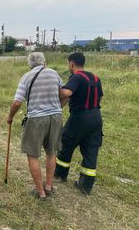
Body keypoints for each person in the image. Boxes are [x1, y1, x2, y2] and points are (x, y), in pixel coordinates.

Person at [7, 52, 63, 200]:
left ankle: (40, 192)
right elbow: (64, 94)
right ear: (44, 62)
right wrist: (58, 107)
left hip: (36, 119)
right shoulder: (54, 73)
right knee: (51, 152)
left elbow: (17, 102)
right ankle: (49, 186)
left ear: (30, 64)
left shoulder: (26, 77)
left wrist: (10, 117)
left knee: (33, 155)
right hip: (56, 117)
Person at [55, 52, 103, 195]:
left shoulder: (77, 77)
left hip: (79, 118)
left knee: (66, 143)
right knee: (90, 151)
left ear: (72, 63)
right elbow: (100, 98)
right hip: (96, 118)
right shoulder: (95, 77)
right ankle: (86, 186)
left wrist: (56, 92)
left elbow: (67, 93)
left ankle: (60, 174)